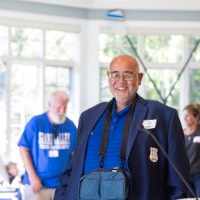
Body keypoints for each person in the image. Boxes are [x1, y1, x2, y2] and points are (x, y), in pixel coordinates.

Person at [54, 54, 190, 200]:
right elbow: (73, 168)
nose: (121, 81)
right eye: (115, 75)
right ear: (108, 77)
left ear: (140, 78)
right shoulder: (89, 117)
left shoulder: (163, 116)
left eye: (128, 74)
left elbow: (179, 178)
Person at [18, 90, 77, 200]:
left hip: (62, 185)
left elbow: (75, 155)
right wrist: (32, 176)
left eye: (65, 107)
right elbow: (23, 149)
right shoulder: (36, 123)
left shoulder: (70, 126)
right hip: (37, 185)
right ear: (49, 105)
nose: (62, 111)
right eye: (59, 107)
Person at [183, 103, 200, 197]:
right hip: (185, 175)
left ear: (196, 116)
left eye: (188, 115)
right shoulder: (181, 133)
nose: (185, 118)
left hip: (198, 175)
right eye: (184, 115)